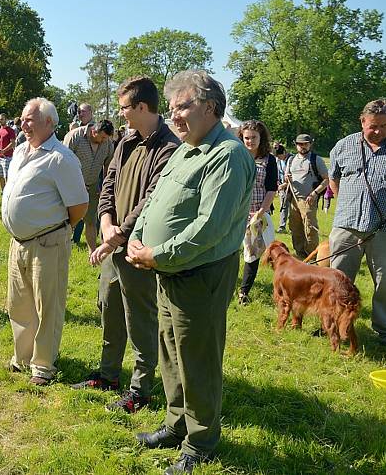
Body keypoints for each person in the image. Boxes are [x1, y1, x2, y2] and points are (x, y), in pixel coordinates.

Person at [128, 70, 254, 473]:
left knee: (197, 359)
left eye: (183, 106)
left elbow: (210, 227)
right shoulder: (186, 148)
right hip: (169, 270)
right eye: (172, 108)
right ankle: (176, 423)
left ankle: (201, 442)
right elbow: (155, 199)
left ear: (211, 108)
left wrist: (156, 254)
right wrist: (139, 238)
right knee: (170, 351)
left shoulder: (228, 155)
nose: (174, 116)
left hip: (200, 274)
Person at [75, 76, 180, 414]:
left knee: (140, 320)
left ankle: (141, 390)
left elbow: (152, 201)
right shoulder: (126, 141)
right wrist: (105, 223)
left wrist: (118, 236)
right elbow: (109, 182)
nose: (120, 115)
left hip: (140, 252)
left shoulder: (169, 147)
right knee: (110, 308)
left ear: (143, 107)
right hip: (114, 243)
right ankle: (108, 375)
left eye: (124, 108)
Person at [2, 97, 88, 386]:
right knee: (19, 304)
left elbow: (79, 206)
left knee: (47, 305)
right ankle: (23, 357)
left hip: (47, 242)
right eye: (22, 118)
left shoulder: (61, 158)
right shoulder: (20, 151)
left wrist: (56, 229)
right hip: (19, 242)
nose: (23, 124)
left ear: (49, 122)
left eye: (30, 119)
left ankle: (43, 366)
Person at [329, 98, 386, 354]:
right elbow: (334, 179)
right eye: (373, 126)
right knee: (338, 281)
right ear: (362, 121)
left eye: (384, 126)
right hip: (347, 226)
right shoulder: (344, 146)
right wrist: (348, 205)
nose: (378, 131)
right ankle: (334, 325)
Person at [236, 120, 278, 305]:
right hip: (235, 213)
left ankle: (244, 292)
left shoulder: (269, 160)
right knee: (229, 252)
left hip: (257, 213)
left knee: (253, 253)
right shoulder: (236, 156)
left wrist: (261, 211)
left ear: (261, 138)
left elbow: (271, 188)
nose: (250, 141)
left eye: (254, 137)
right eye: (247, 138)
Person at [63, 119, 115, 253]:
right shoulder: (75, 136)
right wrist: (74, 184)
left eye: (107, 138)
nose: (104, 141)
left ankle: (92, 253)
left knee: (91, 221)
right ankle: (62, 249)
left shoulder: (107, 143)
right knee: (67, 221)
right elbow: (62, 161)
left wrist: (105, 187)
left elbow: (109, 167)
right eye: (102, 137)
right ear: (94, 131)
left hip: (92, 187)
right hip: (71, 186)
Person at [285, 134, 329, 258]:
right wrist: (286, 179)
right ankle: (299, 255)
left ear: (310, 144)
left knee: (310, 229)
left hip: (308, 200)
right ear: (296, 145)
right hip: (293, 199)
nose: (302, 146)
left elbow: (327, 179)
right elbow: (286, 178)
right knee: (295, 229)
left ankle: (312, 256)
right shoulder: (291, 160)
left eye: (305, 144)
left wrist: (314, 194)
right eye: (300, 144)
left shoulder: (316, 160)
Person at [0, 115, 16, 192]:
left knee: (7, 176)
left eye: (2, 119)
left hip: (7, 157)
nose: (0, 121)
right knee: (0, 176)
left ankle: (9, 191)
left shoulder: (10, 130)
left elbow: (13, 143)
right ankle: (3, 191)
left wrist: (4, 150)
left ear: (6, 120)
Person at [274, 144, 290, 233]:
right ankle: (282, 226)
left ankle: (293, 227)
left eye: (279, 156)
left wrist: (284, 184)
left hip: (292, 188)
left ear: (284, 152)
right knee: (283, 207)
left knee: (293, 209)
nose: (279, 158)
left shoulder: (291, 160)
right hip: (282, 188)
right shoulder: (278, 161)